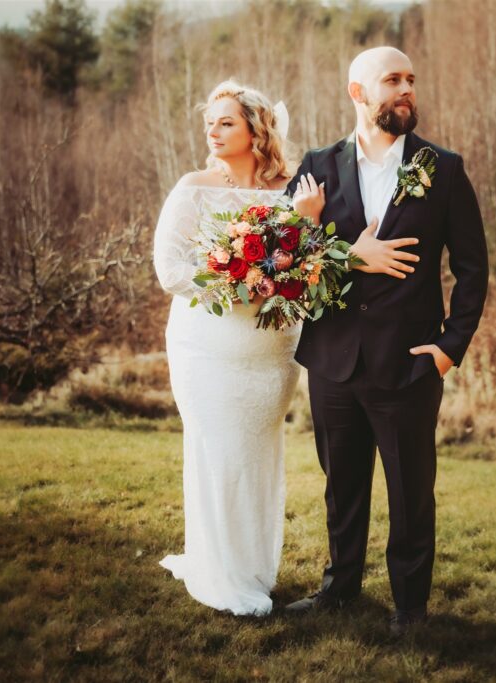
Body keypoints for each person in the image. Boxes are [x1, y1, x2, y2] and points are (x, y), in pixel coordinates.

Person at [285, 46, 489, 636]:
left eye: (411, 80)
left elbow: (472, 267)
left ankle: (410, 607)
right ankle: (340, 589)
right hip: (333, 361)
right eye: (392, 80)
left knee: (410, 492)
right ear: (358, 93)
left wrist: (452, 345)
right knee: (341, 485)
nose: (406, 90)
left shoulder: (443, 168)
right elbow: (282, 261)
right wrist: (344, 247)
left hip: (410, 363)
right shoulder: (316, 165)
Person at [152, 81, 305, 616]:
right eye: (209, 124)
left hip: (272, 351)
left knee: (257, 458)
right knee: (216, 453)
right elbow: (169, 270)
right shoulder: (193, 187)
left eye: (225, 123)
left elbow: (311, 259)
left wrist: (289, 259)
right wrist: (235, 283)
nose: (212, 132)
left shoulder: (294, 190)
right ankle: (219, 572)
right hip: (206, 347)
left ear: (256, 130)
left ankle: (254, 571)